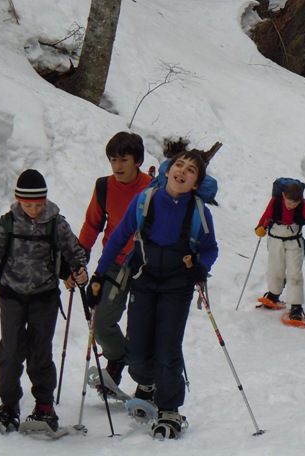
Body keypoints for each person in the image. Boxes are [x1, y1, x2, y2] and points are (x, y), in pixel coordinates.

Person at [87, 150, 218, 439]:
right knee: (136, 347)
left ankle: (169, 408)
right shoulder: (144, 201)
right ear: (168, 170)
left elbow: (210, 249)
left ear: (196, 183)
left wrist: (201, 267)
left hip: (177, 288)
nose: (182, 171)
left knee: (168, 347)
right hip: (143, 282)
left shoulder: (199, 212)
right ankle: (147, 383)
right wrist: (99, 275)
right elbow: (118, 238)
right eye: (179, 165)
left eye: (190, 170)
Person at [0, 169, 89, 432]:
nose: (34, 210)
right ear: (18, 200)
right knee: (10, 351)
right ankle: (8, 406)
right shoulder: (7, 223)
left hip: (44, 297)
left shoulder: (57, 223)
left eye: (39, 204)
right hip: (11, 295)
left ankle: (44, 407)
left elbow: (75, 251)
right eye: (28, 204)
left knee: (39, 352)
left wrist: (79, 269)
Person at [76, 132, 152, 397]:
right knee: (100, 322)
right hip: (114, 262)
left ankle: (146, 380)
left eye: (124, 160)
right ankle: (117, 357)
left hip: (145, 267)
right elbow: (92, 224)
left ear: (138, 161)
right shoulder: (104, 187)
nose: (117, 166)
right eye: (113, 160)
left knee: (142, 327)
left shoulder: (153, 189)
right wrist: (79, 257)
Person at [255, 181, 305, 322]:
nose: (291, 206)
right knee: (275, 269)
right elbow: (266, 215)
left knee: (295, 273)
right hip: (275, 239)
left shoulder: (302, 204)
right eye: (289, 203)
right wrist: (260, 227)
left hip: (294, 241)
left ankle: (296, 306)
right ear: (283, 195)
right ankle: (273, 294)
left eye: (294, 204)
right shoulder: (276, 201)